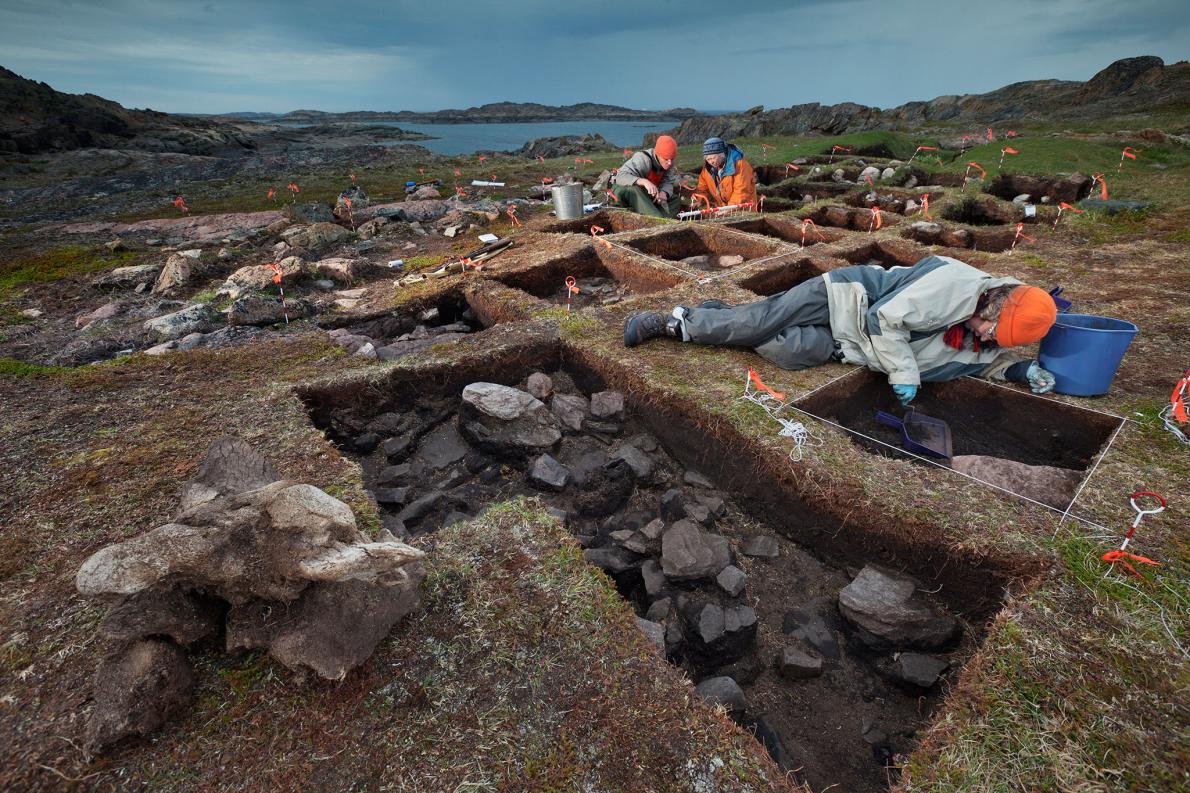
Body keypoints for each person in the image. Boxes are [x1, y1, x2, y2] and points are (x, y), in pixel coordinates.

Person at [622, 255, 1058, 404]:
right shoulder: (953, 283)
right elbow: (883, 317)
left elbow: (982, 364)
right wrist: (905, 374)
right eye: (989, 330)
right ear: (993, 303)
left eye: (994, 341)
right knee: (760, 321)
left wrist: (1019, 371)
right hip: (845, 299)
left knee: (785, 352)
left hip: (847, 344)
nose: (984, 338)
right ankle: (672, 323)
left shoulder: (985, 333)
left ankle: (720, 315)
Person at [613, 135, 682, 218]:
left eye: (672, 158)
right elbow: (619, 176)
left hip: (645, 195)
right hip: (624, 191)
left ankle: (658, 217)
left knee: (675, 200)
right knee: (635, 190)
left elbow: (668, 181)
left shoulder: (669, 162)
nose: (670, 163)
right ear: (658, 154)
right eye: (666, 159)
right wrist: (643, 181)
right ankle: (656, 219)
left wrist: (664, 193)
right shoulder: (643, 159)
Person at [695, 137, 757, 209]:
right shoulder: (708, 169)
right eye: (708, 159)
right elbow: (702, 188)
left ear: (722, 154)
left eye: (713, 158)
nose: (711, 162)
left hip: (744, 210)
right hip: (723, 210)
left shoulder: (740, 164)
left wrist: (729, 208)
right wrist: (699, 200)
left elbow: (741, 190)